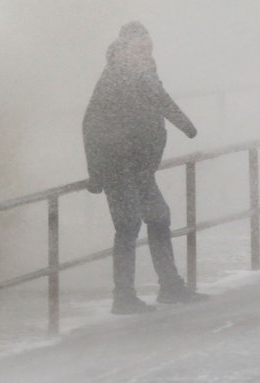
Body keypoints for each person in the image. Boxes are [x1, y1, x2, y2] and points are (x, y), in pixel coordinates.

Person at [82, 22, 208, 314]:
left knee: (159, 217)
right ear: (125, 48)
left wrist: (185, 126)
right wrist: (96, 173)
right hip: (117, 163)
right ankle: (124, 296)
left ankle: (170, 287)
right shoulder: (115, 74)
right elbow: (90, 123)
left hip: (140, 165)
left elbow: (159, 99)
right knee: (128, 225)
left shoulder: (145, 70)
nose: (145, 52)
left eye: (148, 48)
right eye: (140, 48)